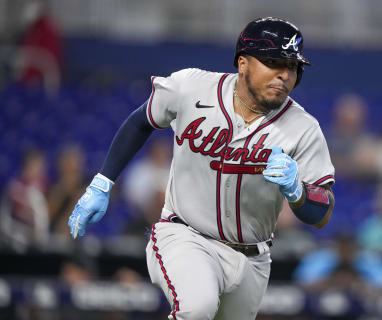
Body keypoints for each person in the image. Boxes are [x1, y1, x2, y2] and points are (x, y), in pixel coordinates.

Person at [67, 17, 335, 320]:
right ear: (243, 63)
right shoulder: (191, 88)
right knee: (196, 309)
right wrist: (101, 184)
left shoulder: (304, 129)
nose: (284, 75)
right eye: (274, 62)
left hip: (253, 258)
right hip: (186, 235)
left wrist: (299, 192)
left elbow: (322, 213)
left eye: (293, 67)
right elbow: (141, 121)